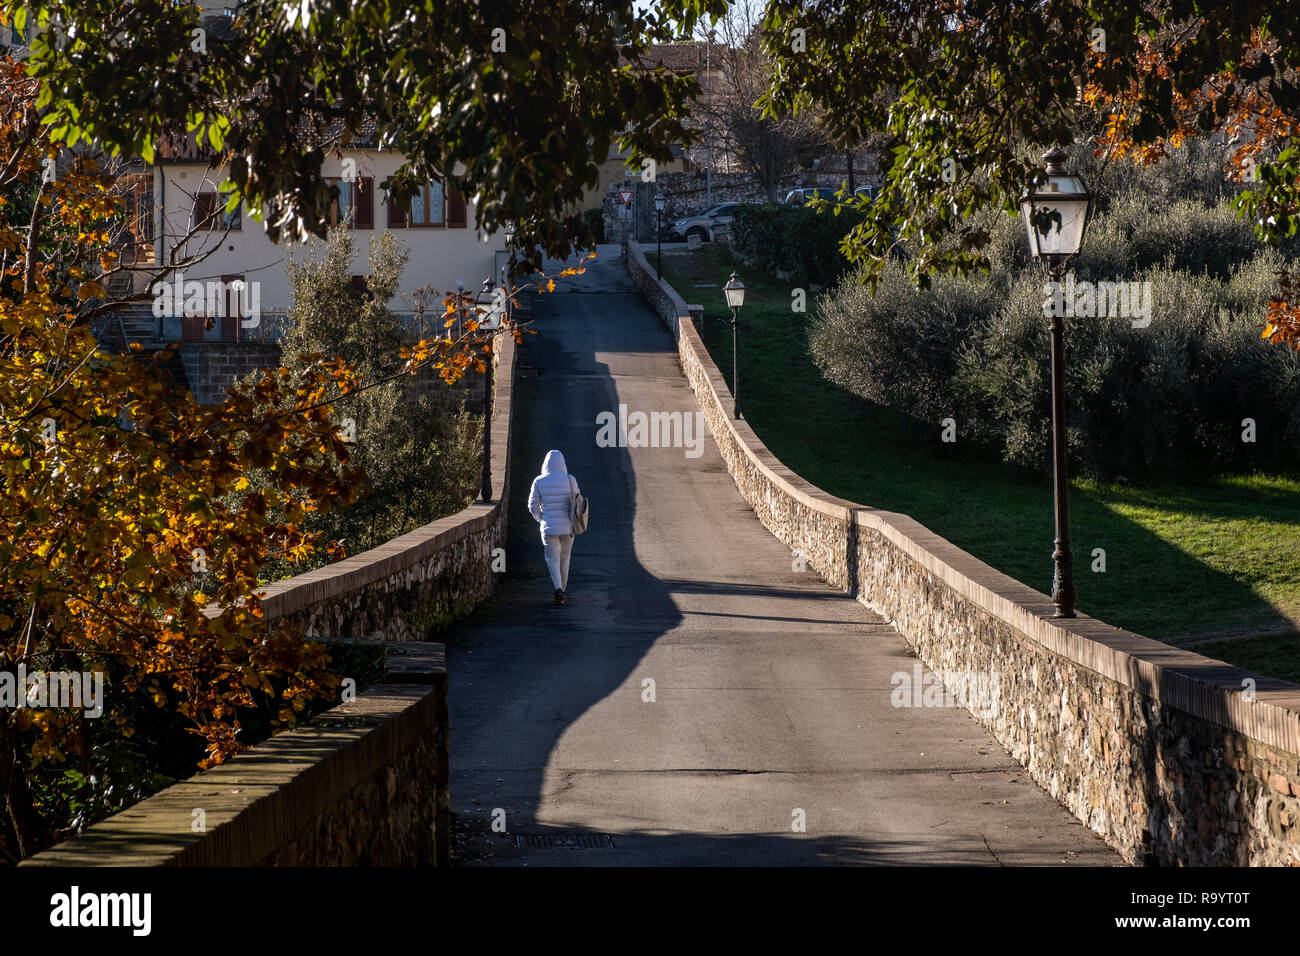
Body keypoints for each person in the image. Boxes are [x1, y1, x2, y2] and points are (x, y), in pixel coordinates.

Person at [527, 449, 579, 606]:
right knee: (565, 558)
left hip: (548, 528)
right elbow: (578, 502)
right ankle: (562, 589)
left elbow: (532, 505)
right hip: (568, 527)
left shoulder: (539, 481)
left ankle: (558, 589)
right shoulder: (570, 480)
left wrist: (541, 518)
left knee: (552, 559)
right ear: (562, 463)